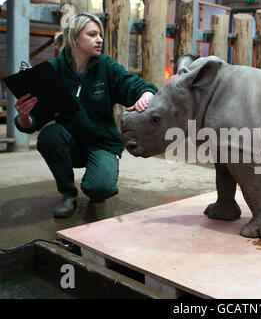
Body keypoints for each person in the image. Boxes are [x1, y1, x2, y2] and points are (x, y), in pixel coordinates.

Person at [14, 12, 157, 218]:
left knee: (99, 189)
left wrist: (146, 94)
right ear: (74, 38)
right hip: (69, 142)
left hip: (102, 144)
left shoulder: (106, 66)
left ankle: (98, 184)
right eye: (92, 34)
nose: (99, 40)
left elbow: (135, 85)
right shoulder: (53, 71)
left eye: (99, 35)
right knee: (49, 135)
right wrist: (24, 116)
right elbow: (31, 121)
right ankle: (68, 193)